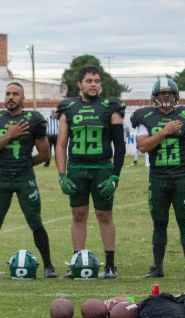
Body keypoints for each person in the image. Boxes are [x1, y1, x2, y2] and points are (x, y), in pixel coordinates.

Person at [0, 83, 57, 278]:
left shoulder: (33, 120)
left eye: (15, 94)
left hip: (24, 177)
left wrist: (26, 165)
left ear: (23, 98)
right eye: (8, 93)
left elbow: (44, 155)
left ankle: (49, 266)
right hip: (1, 178)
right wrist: (9, 136)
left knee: (35, 221)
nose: (11, 97)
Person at [56, 66, 126, 279]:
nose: (94, 84)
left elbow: (120, 146)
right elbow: (60, 145)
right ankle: (77, 262)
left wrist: (115, 176)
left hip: (102, 167)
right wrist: (62, 175)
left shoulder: (110, 107)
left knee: (104, 215)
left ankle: (111, 264)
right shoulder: (68, 107)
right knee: (78, 215)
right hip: (77, 168)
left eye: (96, 80)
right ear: (80, 84)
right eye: (89, 81)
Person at [131, 78, 185, 279]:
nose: (166, 96)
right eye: (162, 93)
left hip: (181, 178)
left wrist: (179, 165)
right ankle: (157, 267)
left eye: (169, 93)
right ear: (155, 97)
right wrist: (165, 131)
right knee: (159, 222)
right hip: (158, 178)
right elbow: (143, 147)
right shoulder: (146, 117)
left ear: (175, 96)